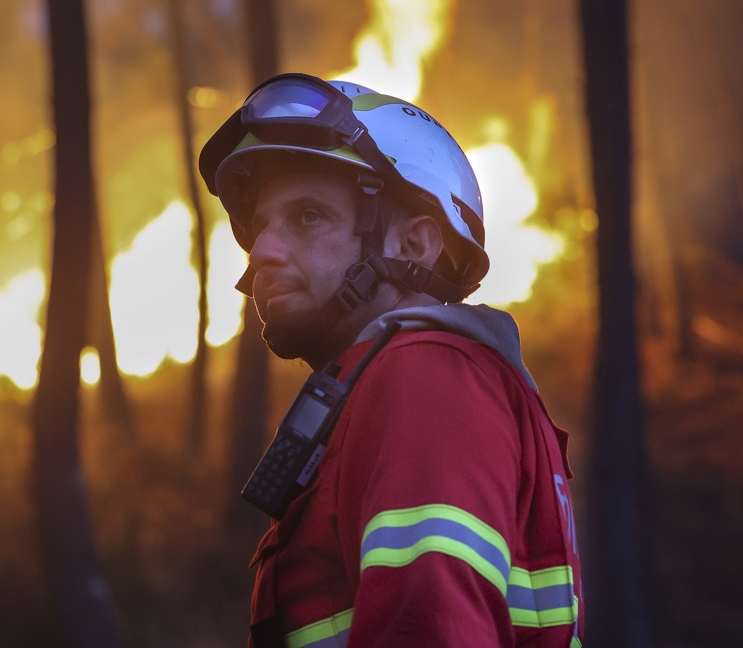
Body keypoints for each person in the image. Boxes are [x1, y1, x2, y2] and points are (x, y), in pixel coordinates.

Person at [198, 73, 584, 647]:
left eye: (307, 217)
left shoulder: (428, 374)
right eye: (259, 226)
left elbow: (431, 630)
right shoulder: (412, 385)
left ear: (413, 244)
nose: (263, 251)